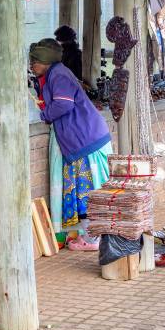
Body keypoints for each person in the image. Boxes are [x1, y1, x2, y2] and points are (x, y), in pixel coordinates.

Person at [30, 38, 112, 250]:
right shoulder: (56, 73)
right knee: (87, 191)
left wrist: (43, 115)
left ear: (45, 61)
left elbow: (63, 105)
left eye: (34, 61)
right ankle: (90, 236)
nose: (31, 65)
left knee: (87, 192)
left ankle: (93, 239)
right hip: (86, 138)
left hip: (86, 141)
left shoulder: (58, 75)